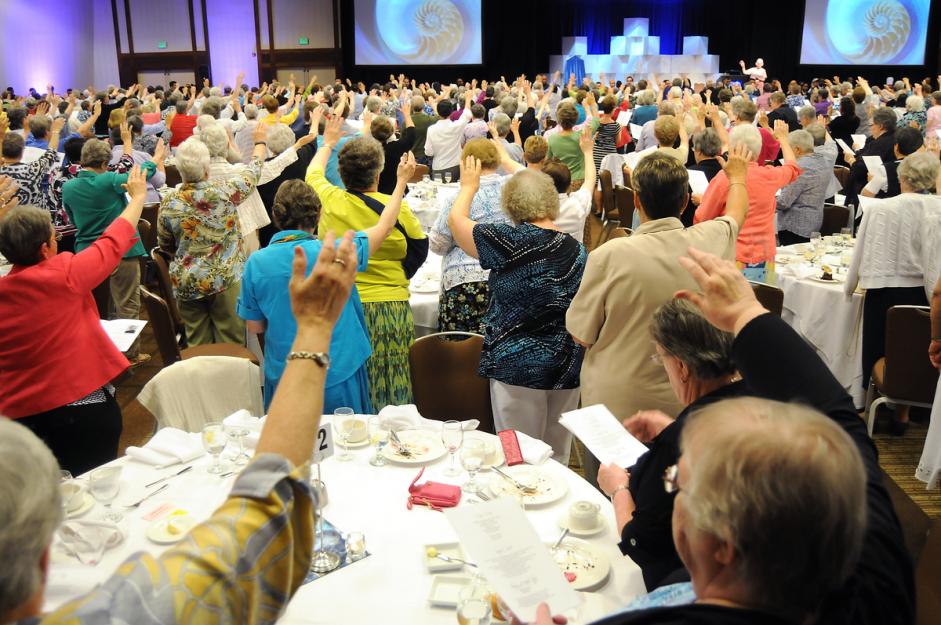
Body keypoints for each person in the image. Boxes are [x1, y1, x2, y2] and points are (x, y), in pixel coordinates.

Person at [527, 246, 913, 625]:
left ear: (722, 546)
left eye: (679, 480)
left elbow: (642, 538)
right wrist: (747, 314)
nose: (673, 477)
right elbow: (842, 425)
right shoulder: (874, 586)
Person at [0, 228, 363, 625]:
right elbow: (261, 524)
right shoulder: (127, 613)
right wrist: (313, 328)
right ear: (44, 551)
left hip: (23, 405)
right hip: (81, 403)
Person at [566, 148, 749, 485]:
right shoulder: (709, 240)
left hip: (617, 403)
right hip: (691, 398)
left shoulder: (609, 255)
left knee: (610, 497)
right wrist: (737, 177)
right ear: (685, 202)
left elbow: (581, 334)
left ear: (636, 201)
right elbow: (736, 214)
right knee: (678, 497)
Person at [0, 167, 149, 475]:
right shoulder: (66, 275)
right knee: (95, 485)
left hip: (17, 419)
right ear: (46, 248)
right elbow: (113, 240)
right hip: (82, 406)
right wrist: (138, 198)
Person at [239, 153, 412, 411]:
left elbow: (255, 327)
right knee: (348, 445)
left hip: (286, 373)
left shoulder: (256, 263)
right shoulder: (339, 252)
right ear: (318, 214)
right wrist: (400, 182)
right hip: (339, 369)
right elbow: (386, 226)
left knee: (290, 449)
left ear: (276, 216)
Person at [596, 298, 746, 590]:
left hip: (684, 583)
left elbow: (641, 540)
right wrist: (671, 427)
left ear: (682, 367)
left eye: (659, 357)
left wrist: (618, 489)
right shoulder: (748, 397)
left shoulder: (679, 448)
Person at [447, 159, 587, 463]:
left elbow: (456, 222)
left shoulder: (506, 241)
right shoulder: (578, 250)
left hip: (515, 367)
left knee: (517, 456)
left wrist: (468, 188)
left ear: (512, 205)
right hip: (566, 366)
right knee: (558, 457)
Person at [309, 116, 426, 410]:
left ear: (341, 171)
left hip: (345, 306)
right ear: (380, 169)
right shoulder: (397, 208)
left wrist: (329, 143)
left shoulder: (329, 200)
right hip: (392, 304)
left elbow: (313, 173)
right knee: (397, 382)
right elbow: (419, 248)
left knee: (357, 383)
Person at [845, 152, 940, 433]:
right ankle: (904, 413)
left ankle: (870, 407)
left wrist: (849, 286)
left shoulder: (881, 208)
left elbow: (860, 249)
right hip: (925, 289)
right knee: (913, 350)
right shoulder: (937, 207)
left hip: (883, 287)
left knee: (876, 348)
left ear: (901, 177)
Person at [157, 125, 269, 346]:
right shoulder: (224, 193)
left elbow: (165, 244)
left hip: (188, 282)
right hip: (225, 281)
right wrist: (260, 143)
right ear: (206, 169)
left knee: (198, 347)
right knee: (232, 345)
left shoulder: (169, 202)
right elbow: (253, 171)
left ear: (179, 171)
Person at [62, 134, 165, 362]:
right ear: (103, 164)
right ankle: (129, 354)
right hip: (121, 252)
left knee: (95, 306)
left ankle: (99, 350)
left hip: (87, 253)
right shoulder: (109, 180)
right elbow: (139, 176)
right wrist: (156, 158)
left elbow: (72, 220)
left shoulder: (68, 188)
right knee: (127, 302)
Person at [695, 121, 800, 281]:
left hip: (732, 257)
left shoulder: (724, 179)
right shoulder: (769, 176)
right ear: (758, 151)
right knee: (762, 301)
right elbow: (792, 168)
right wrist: (784, 140)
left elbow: (702, 219)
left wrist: (703, 201)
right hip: (765, 256)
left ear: (732, 149)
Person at [430, 139, 513, 333]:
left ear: (465, 162)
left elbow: (438, 244)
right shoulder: (512, 190)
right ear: (495, 161)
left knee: (458, 354)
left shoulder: (458, 197)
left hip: (463, 281)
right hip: (506, 278)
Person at [199, 121, 312, 254]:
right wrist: (296, 146)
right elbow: (269, 169)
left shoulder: (195, 178)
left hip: (209, 235)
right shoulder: (242, 173)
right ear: (227, 145)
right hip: (245, 231)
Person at [775, 129, 833, 245]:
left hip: (794, 225)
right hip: (814, 221)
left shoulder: (800, 167)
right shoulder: (825, 162)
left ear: (797, 150)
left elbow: (784, 202)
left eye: (788, 149)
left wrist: (762, 200)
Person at [0, 117, 64, 213]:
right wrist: (55, 131)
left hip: (5, 222)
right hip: (35, 220)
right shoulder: (33, 169)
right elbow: (51, 152)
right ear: (22, 151)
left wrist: (2, 137)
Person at [843, 107, 898, 207]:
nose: (870, 128)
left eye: (872, 125)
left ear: (880, 126)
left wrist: (851, 160)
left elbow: (861, 168)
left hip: (872, 193)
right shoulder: (896, 136)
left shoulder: (880, 144)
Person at [425, 87, 475, 182]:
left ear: (438, 113)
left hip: (438, 167)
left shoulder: (431, 130)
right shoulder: (456, 126)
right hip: (455, 166)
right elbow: (467, 115)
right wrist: (468, 99)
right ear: (451, 112)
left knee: (439, 194)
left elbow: (428, 152)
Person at [860, 126, 924, 199]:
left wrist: (872, 182)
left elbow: (865, 195)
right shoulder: (923, 169)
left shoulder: (884, 170)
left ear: (896, 146)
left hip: (887, 208)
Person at [374, 101, 416, 194]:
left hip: (378, 193)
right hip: (398, 191)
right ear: (392, 131)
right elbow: (411, 134)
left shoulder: (370, 150)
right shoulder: (398, 147)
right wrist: (407, 115)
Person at [547, 101, 586, 189]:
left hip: (560, 179)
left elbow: (547, 160)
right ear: (575, 118)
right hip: (579, 179)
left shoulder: (551, 138)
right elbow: (595, 121)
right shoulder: (580, 136)